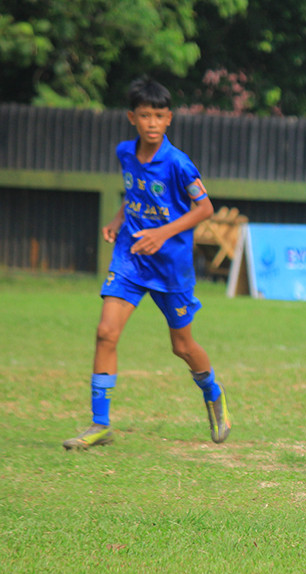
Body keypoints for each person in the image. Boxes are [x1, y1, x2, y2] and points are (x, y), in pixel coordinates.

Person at [63, 76, 232, 450]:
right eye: (145, 115)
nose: (152, 123)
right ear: (131, 118)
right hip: (131, 258)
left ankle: (213, 392)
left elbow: (204, 208)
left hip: (171, 267)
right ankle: (99, 424)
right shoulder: (125, 153)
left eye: (158, 115)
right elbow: (135, 193)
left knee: (182, 346)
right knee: (105, 332)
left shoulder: (178, 163)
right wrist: (118, 220)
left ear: (169, 118)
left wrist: (163, 233)